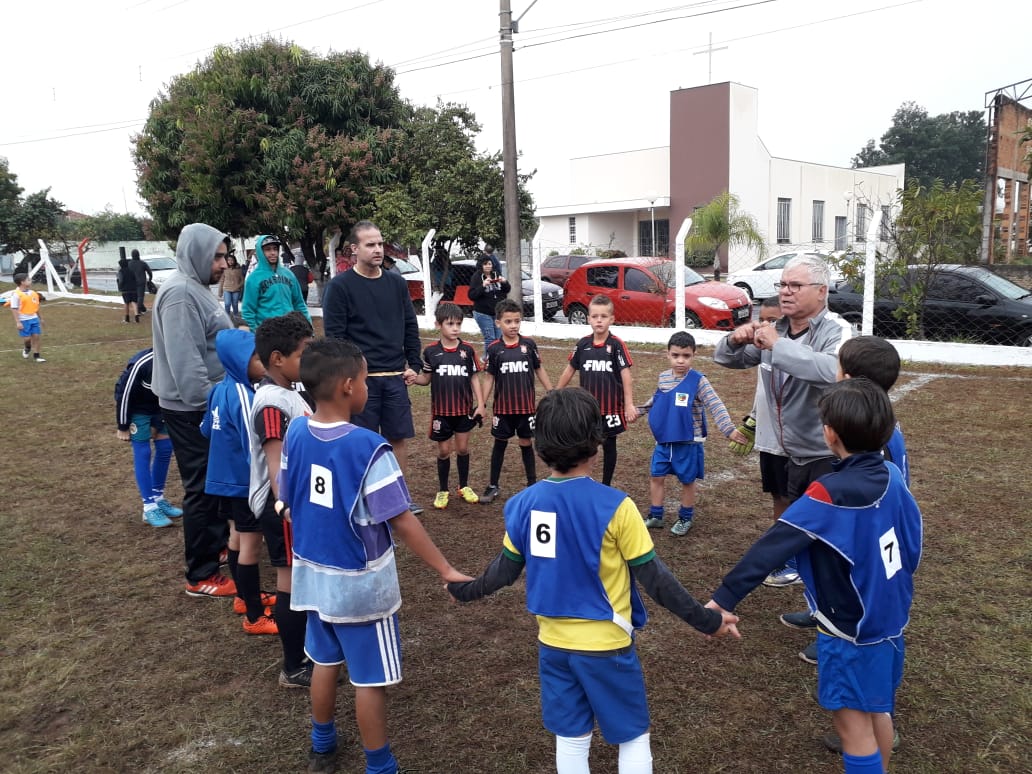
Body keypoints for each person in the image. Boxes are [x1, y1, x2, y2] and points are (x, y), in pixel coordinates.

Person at [447, 388, 740, 774]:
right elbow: (657, 581)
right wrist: (709, 621)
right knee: (632, 736)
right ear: (595, 443)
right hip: (606, 645)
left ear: (539, 444)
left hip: (553, 644)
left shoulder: (521, 504)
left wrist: (463, 590)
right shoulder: (616, 506)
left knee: (571, 736)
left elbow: (503, 572)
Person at [707, 378, 921, 774]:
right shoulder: (892, 475)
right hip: (891, 617)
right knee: (878, 710)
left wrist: (723, 598)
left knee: (853, 727)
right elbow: (913, 542)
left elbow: (772, 546)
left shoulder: (829, 492)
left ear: (830, 433)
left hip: (849, 629)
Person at [280, 337, 471, 774]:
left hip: (312, 575)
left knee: (324, 661)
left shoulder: (296, 432)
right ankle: (380, 766)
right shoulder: (369, 447)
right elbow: (401, 519)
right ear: (349, 386)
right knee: (370, 680)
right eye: (365, 380)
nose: (368, 387)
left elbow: (287, 495)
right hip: (360, 586)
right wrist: (444, 568)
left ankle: (321, 744)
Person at [782, 335, 911, 747]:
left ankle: (866, 728)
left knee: (868, 643)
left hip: (870, 566)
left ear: (850, 378)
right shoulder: (879, 425)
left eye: (837, 367)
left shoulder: (873, 445)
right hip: (879, 562)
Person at [714, 253, 852, 599]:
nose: (786, 292)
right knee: (781, 497)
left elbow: (831, 371)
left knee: (823, 510)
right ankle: (788, 560)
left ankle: (825, 571)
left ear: (821, 291)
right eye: (783, 284)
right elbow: (726, 359)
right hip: (775, 440)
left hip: (820, 445)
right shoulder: (775, 329)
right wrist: (734, 340)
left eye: (795, 285)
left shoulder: (837, 329)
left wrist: (779, 346)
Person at [151, 222, 235, 598]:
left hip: (205, 404)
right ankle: (201, 575)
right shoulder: (181, 294)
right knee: (201, 487)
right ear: (196, 254)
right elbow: (186, 363)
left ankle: (215, 547)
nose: (223, 264)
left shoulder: (196, 288)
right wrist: (212, 406)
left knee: (215, 482)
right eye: (216, 257)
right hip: (193, 408)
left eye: (224, 256)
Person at [322, 221, 425, 514]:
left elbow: (410, 325)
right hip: (359, 381)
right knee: (361, 442)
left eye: (380, 243)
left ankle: (399, 499)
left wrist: (415, 363)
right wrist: (350, 375)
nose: (378, 249)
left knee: (396, 439)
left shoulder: (396, 283)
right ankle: (363, 498)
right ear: (354, 249)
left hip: (395, 377)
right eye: (370, 244)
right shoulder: (340, 287)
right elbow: (335, 338)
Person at [248, 312, 315, 686]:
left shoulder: (289, 393)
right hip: (283, 509)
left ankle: (308, 653)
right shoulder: (272, 401)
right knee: (290, 582)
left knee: (301, 581)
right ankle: (293, 666)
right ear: (277, 359)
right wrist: (286, 506)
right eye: (303, 354)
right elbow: (275, 461)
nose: (309, 360)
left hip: (297, 504)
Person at [200, 328, 277, 635]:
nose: (263, 363)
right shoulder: (245, 396)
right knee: (251, 546)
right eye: (257, 358)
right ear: (238, 362)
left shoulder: (218, 389)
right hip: (244, 484)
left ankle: (244, 598)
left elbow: (206, 429)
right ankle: (255, 617)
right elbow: (255, 447)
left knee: (236, 536)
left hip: (222, 480)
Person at [639, 331, 746, 536]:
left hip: (688, 442)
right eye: (675, 355)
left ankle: (685, 518)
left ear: (693, 355)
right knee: (656, 476)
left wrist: (729, 429)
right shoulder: (663, 377)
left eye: (686, 356)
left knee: (687, 481)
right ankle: (656, 515)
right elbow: (657, 399)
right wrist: (640, 410)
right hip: (664, 441)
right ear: (667, 354)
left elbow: (715, 404)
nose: (680, 360)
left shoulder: (698, 381)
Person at [555, 295, 639, 486]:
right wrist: (555, 392)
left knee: (609, 444)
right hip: (587, 408)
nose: (599, 320)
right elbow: (570, 369)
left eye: (603, 316)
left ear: (612, 319)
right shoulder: (582, 344)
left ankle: (606, 484)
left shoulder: (616, 345)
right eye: (595, 316)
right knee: (587, 445)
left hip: (611, 408)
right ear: (588, 319)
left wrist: (629, 404)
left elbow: (626, 376)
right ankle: (585, 478)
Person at [411, 302, 487, 510]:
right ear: (438, 325)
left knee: (462, 448)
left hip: (463, 411)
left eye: (458, 324)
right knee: (444, 451)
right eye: (450, 324)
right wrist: (412, 378)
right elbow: (426, 378)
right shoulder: (431, 352)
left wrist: (481, 405)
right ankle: (443, 489)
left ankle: (464, 486)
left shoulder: (467, 350)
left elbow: (474, 378)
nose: (455, 328)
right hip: (441, 412)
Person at [479, 298, 554, 504]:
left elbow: (538, 368)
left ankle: (531, 484)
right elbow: (489, 378)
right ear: (498, 323)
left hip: (526, 408)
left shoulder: (528, 345)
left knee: (526, 442)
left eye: (517, 321)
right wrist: (481, 403)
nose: (513, 325)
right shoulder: (494, 349)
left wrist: (551, 391)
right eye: (508, 321)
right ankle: (493, 485)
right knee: (500, 443)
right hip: (503, 409)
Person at [114, 347, 182, 527]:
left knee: (166, 449)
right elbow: (124, 394)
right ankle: (149, 507)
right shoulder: (143, 364)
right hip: (138, 410)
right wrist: (123, 425)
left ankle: (158, 497)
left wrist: (160, 420)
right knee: (143, 453)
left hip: (162, 408)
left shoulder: (180, 358)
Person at [241, 235, 312, 331]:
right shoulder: (253, 278)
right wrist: (255, 334)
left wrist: (308, 327)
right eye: (268, 249)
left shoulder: (288, 274)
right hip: (267, 333)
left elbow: (299, 303)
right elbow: (248, 311)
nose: (273, 253)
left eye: (275, 249)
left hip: (290, 331)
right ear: (260, 252)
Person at [467, 255, 511, 360]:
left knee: (499, 337)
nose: (488, 266)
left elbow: (507, 290)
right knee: (490, 338)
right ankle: (487, 359)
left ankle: (497, 358)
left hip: (497, 313)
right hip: (482, 313)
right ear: (481, 265)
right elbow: (472, 295)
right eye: (485, 264)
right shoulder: (476, 277)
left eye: (490, 264)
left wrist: (504, 282)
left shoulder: (496, 274)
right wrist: (483, 286)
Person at [10, 272, 45, 362]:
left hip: (34, 319)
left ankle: (37, 356)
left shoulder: (33, 293)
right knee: (27, 339)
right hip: (23, 320)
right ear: (22, 282)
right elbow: (14, 308)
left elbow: (36, 307)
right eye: (28, 280)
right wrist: (18, 322)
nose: (30, 281)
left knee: (36, 337)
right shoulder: (16, 294)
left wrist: (41, 318)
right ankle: (27, 347)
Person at [218, 250, 245, 317]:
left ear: (234, 261)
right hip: (226, 289)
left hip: (236, 290)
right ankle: (227, 315)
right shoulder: (224, 269)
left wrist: (238, 286)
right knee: (227, 303)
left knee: (235, 304)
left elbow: (243, 280)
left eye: (232, 260)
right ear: (226, 261)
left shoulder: (239, 269)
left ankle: (235, 315)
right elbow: (222, 281)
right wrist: (220, 291)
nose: (230, 262)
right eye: (229, 260)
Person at [129, 249, 153, 315]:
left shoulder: (129, 264)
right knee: (140, 296)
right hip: (141, 282)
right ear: (138, 255)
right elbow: (149, 271)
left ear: (132, 255)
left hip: (132, 282)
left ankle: (142, 308)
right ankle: (139, 309)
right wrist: (150, 279)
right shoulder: (142, 263)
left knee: (136, 297)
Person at [116, 257, 139, 323]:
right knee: (134, 302)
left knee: (126, 303)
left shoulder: (120, 272)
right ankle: (136, 316)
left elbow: (121, 280)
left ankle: (127, 318)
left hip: (125, 290)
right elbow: (135, 279)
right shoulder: (131, 271)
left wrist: (120, 286)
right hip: (133, 289)